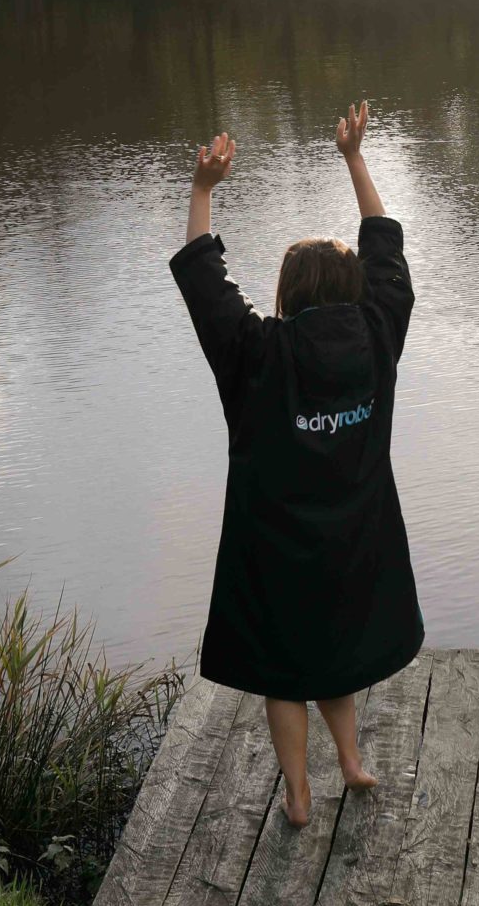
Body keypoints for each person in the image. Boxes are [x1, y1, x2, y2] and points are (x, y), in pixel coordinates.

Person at [170, 101, 423, 827]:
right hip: (356, 539)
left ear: (288, 296)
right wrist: (353, 159)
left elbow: (203, 285)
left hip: (274, 545)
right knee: (335, 651)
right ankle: (349, 763)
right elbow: (385, 249)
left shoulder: (259, 355)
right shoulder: (379, 333)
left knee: (288, 671)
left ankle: (301, 793)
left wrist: (202, 191)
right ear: (349, 293)